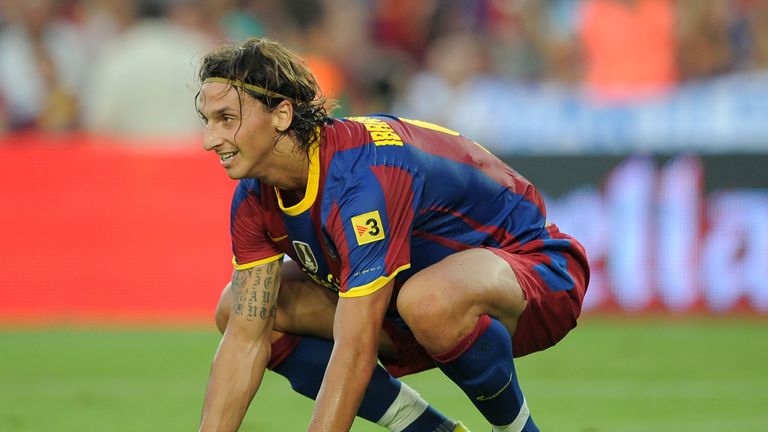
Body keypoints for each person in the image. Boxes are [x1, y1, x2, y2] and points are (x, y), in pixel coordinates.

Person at [195, 38, 589, 432]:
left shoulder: (363, 177)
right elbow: (244, 341)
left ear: (281, 114)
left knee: (429, 300)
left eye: (227, 119)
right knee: (238, 309)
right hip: (406, 305)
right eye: (207, 120)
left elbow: (355, 348)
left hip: (535, 271)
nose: (210, 140)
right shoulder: (254, 197)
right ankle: (430, 430)